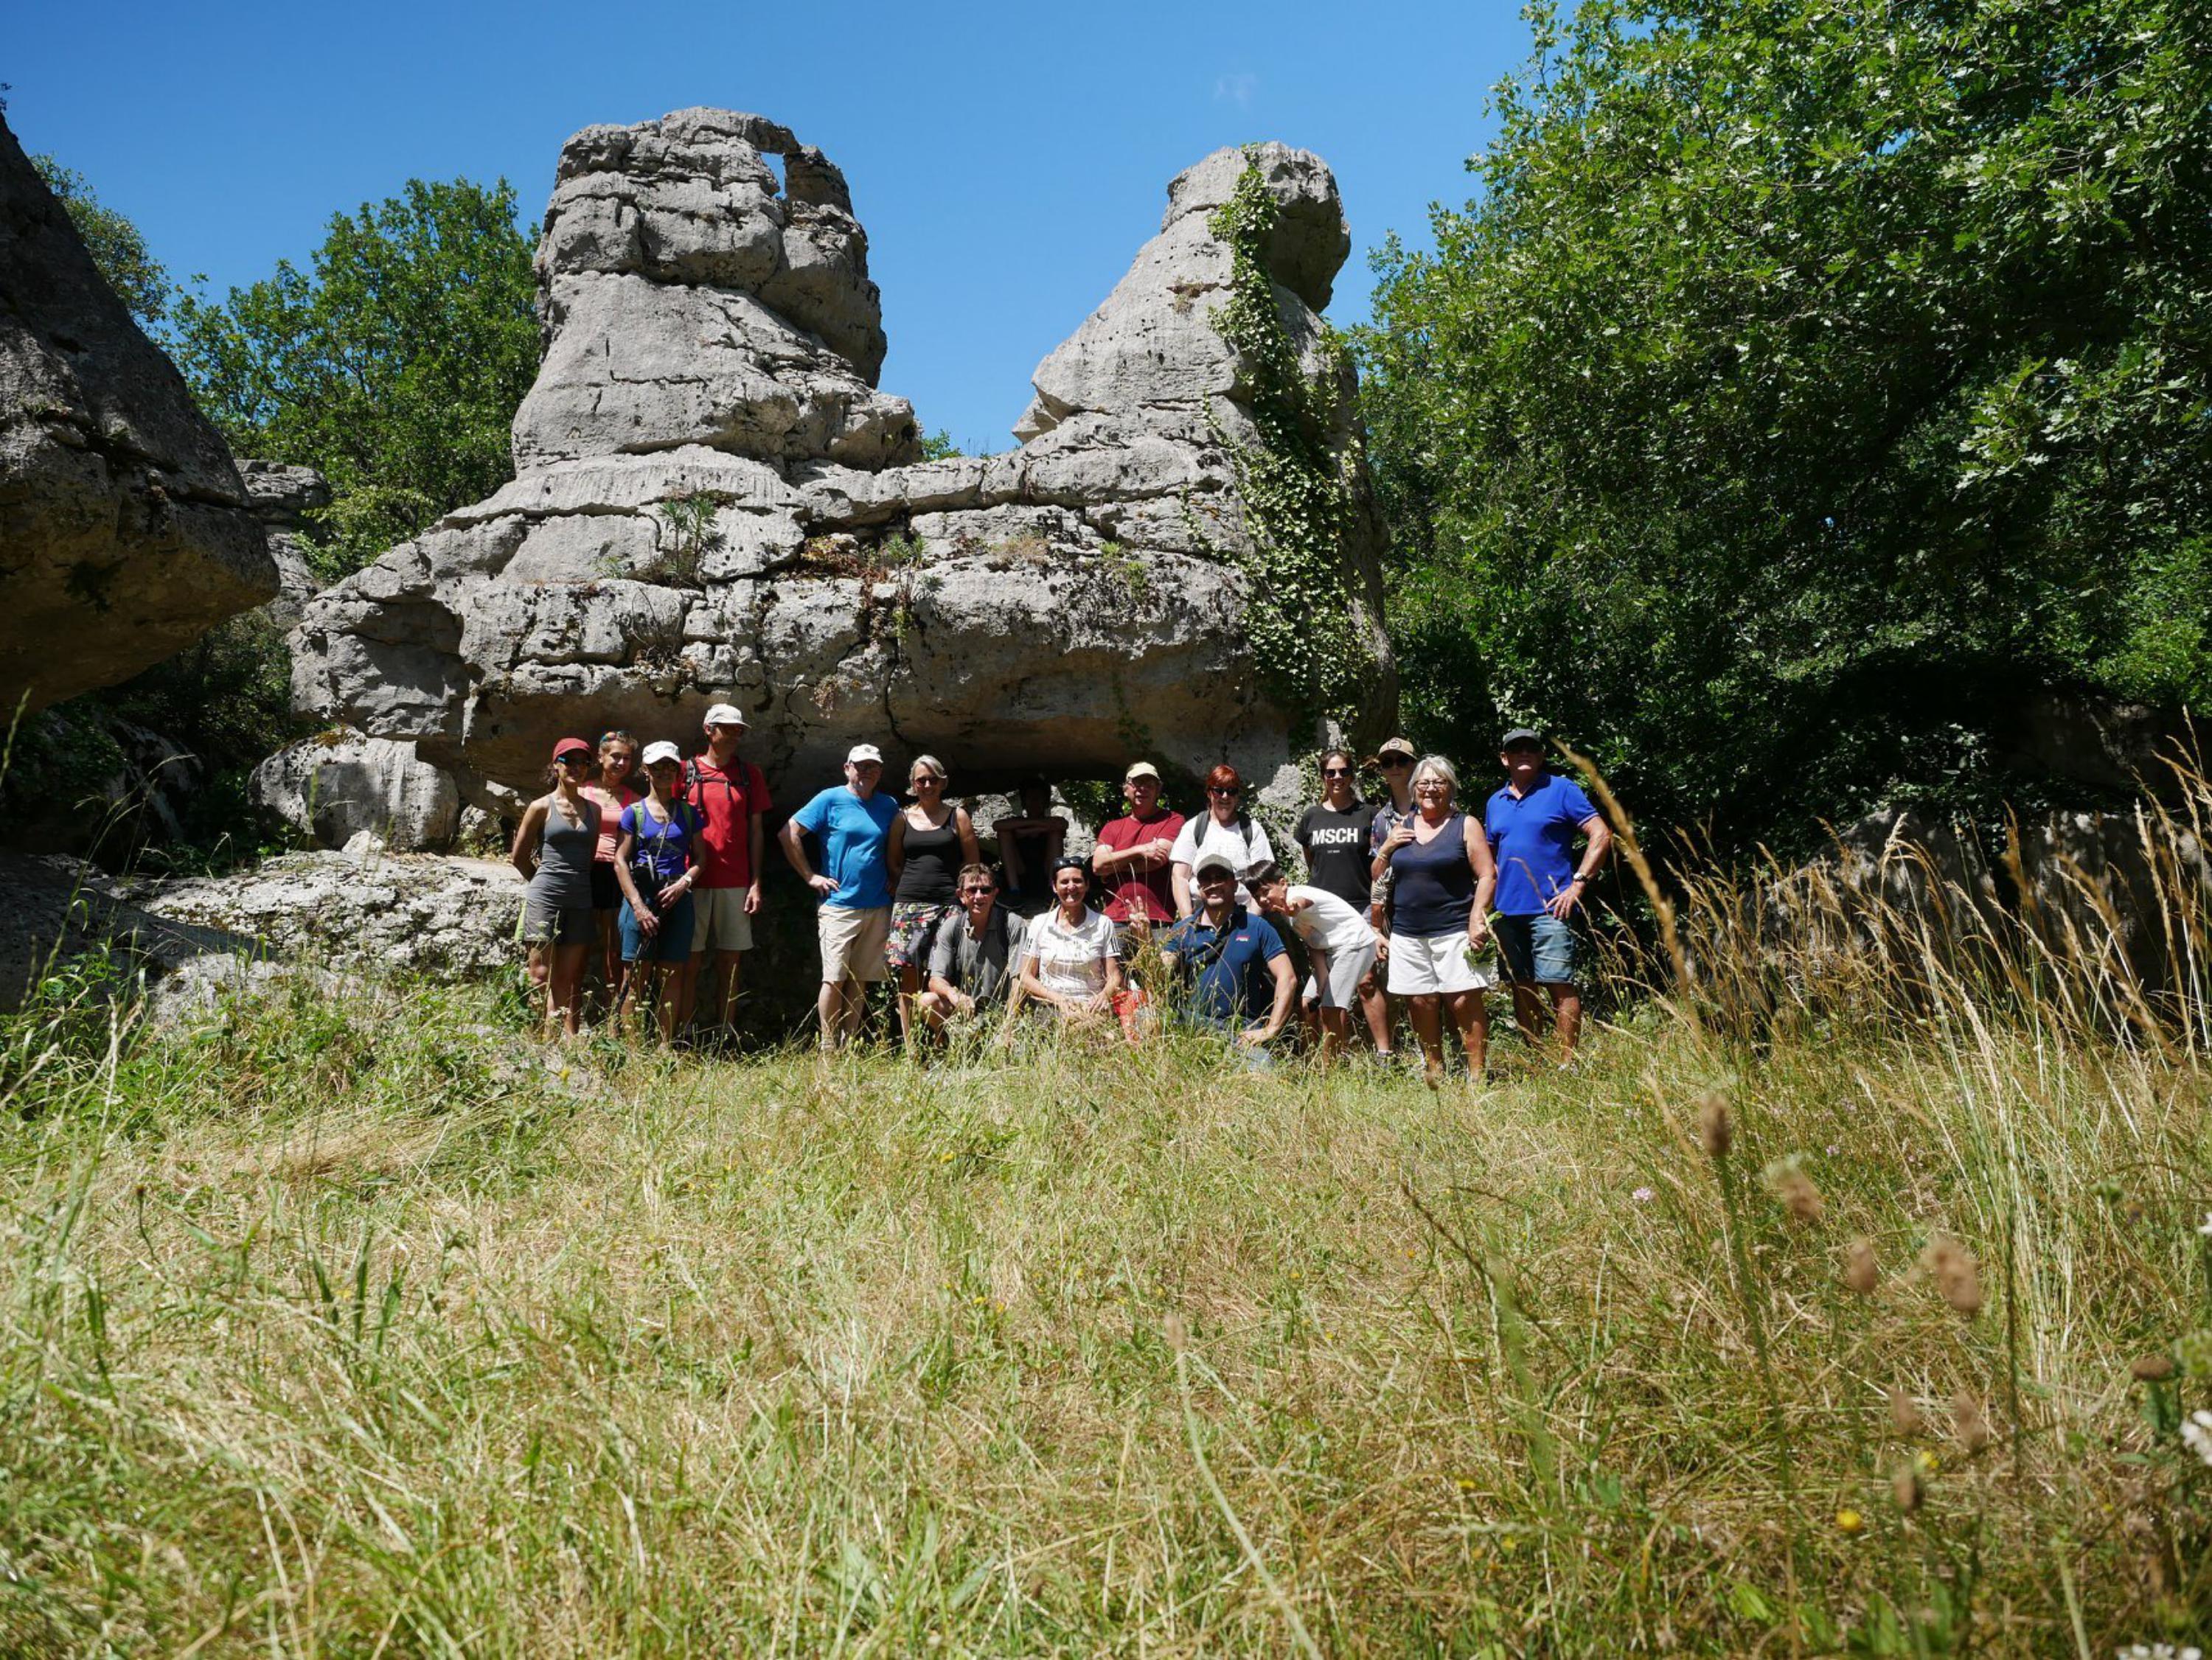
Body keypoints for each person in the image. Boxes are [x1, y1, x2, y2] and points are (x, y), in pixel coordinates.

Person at [1486, 728, 1613, 1065]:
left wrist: (1579, 883)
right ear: (1504, 758)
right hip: (1506, 913)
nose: (1523, 753)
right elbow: (1489, 861)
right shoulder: (1495, 802)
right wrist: (1483, 909)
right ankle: (1536, 1060)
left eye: (1531, 748)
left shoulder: (1561, 789)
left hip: (1551, 909)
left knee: (1559, 985)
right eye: (1516, 749)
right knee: (1521, 988)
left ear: (1541, 756)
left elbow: (1601, 834)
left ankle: (1566, 1063)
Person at [1376, 756, 1498, 1086]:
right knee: (1420, 1000)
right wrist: (1386, 848)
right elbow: (1372, 878)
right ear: (1414, 789)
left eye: (1439, 782)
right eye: (1424, 783)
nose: (1431, 789)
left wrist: (1478, 920)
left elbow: (1487, 873)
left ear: (1450, 787)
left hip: (1455, 929)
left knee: (1462, 999)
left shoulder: (1465, 824)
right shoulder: (1400, 827)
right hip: (1408, 932)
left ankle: (1476, 1075)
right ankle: (1434, 1070)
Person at [780, 744, 900, 1048]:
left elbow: (897, 846)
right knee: (833, 977)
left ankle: (851, 1041)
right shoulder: (830, 799)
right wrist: (810, 876)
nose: (866, 772)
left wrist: (894, 877)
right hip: (839, 904)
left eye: (872, 766)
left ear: (881, 772)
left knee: (859, 978)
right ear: (847, 768)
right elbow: (789, 832)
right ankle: (828, 1045)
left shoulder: (888, 805)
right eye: (860, 766)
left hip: (877, 904)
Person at [1295, 748, 1392, 1059]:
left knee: (1365, 980)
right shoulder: (1311, 816)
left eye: (1343, 772)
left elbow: (1379, 867)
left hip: (1360, 904)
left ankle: (1383, 1054)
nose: (1337, 778)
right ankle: (1338, 1051)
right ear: (1322, 776)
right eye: (1330, 772)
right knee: (1329, 981)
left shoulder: (1369, 814)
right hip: (1323, 911)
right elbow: (1312, 863)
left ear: (1352, 775)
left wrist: (1378, 913)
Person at [1160, 850, 1297, 1065]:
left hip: (1240, 1029)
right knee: (1146, 1019)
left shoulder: (1258, 927)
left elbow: (1287, 978)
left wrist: (1271, 1029)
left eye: (1220, 878)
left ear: (1234, 885)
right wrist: (1142, 939)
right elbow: (1161, 969)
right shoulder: (1183, 930)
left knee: (1263, 1073)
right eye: (1206, 879)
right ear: (1199, 889)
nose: (1213, 885)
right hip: (1190, 1023)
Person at [684, 702, 772, 1036]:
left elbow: (756, 831)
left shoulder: (749, 775)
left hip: (735, 880)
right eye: (728, 728)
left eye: (739, 729)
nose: (735, 734)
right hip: (693, 879)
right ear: (709, 730)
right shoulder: (685, 771)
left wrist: (755, 882)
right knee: (689, 961)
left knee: (729, 963)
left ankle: (725, 1031)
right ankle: (685, 1028)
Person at [886, 755, 981, 1050]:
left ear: (943, 782)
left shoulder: (958, 816)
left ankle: (942, 1043)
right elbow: (893, 861)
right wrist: (911, 886)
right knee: (909, 976)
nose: (927, 785)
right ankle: (913, 1048)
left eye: (933, 780)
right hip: (910, 905)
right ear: (913, 785)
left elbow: (972, 862)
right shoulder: (902, 818)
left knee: (943, 972)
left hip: (949, 904)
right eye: (921, 780)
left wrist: (960, 894)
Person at [510, 736, 602, 1038]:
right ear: (556, 765)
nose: (576, 768)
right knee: (539, 975)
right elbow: (519, 857)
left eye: (583, 762)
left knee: (569, 976)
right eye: (569, 761)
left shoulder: (594, 810)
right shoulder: (541, 806)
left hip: (580, 897)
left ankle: (560, 1043)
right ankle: (534, 1038)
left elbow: (588, 857)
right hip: (546, 895)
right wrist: (543, 881)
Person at [1249, 861, 1382, 1067]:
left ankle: (1331, 1071)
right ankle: (1310, 1064)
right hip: (1331, 951)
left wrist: (1293, 908)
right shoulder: (1283, 914)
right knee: (1306, 1005)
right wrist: (1322, 978)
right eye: (1257, 896)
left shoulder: (1294, 897)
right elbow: (1314, 943)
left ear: (1282, 883)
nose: (1263, 899)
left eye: (1266, 892)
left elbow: (1303, 902)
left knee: (1330, 1009)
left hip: (1355, 944)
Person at [611, 740, 701, 1042]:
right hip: (642, 895)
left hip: (676, 896)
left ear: (678, 772)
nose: (664, 772)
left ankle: (664, 1046)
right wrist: (638, 906)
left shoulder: (689, 814)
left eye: (670, 767)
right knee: (635, 976)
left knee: (671, 974)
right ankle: (634, 1049)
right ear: (645, 771)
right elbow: (620, 861)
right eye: (657, 767)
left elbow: (702, 859)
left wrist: (684, 883)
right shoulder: (633, 813)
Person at [916, 862, 1029, 1033]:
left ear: (994, 895)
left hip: (1003, 1012)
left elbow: (1019, 981)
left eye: (985, 890)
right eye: (972, 890)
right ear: (961, 895)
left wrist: (1009, 1024)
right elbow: (935, 980)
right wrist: (954, 995)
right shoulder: (952, 926)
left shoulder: (1012, 924)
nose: (978, 896)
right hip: (966, 1011)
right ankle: (946, 1046)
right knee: (927, 1001)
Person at [1091, 762, 1186, 955]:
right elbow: (1098, 865)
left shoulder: (1173, 820)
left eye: (1149, 784)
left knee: (1158, 978)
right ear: (1126, 790)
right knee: (1115, 979)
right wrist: (1139, 850)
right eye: (1136, 783)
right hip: (1116, 918)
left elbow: (1157, 859)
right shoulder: (1112, 827)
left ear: (1158, 790)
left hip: (1157, 920)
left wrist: (1115, 865)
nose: (1142, 788)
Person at [1020, 854, 1122, 1026]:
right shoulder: (1039, 923)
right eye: (1064, 882)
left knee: (1088, 1027)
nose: (1071, 887)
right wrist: (1058, 1000)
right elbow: (1025, 977)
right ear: (1054, 886)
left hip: (1091, 1006)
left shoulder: (1104, 924)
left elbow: (1115, 976)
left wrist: (1104, 996)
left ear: (1087, 885)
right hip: (1051, 1006)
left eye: (1077, 881)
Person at [1170, 764, 1276, 916]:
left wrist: (1253, 924)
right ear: (1209, 793)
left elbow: (1263, 878)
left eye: (1231, 791)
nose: (1225, 796)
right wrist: (1187, 921)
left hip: (1243, 916)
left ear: (1237, 795)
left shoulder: (1252, 829)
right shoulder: (1194, 827)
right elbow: (1179, 877)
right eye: (1219, 791)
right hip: (1201, 915)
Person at [583, 729, 641, 1005]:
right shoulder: (584, 791)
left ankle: (613, 1016)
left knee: (613, 949)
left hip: (616, 872)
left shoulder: (634, 799)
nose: (621, 763)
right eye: (616, 756)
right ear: (601, 757)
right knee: (579, 944)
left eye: (627, 758)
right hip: (586, 870)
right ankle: (571, 1011)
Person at [992, 781, 1066, 917]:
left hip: (1045, 875)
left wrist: (1025, 830)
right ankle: (1014, 892)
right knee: (1004, 833)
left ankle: (1052, 891)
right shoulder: (1016, 822)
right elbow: (997, 826)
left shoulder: (1052, 823)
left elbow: (1062, 824)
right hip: (1020, 875)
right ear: (1024, 802)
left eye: (1038, 798)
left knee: (1055, 833)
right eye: (1031, 798)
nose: (1034, 802)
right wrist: (1039, 825)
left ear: (1046, 801)